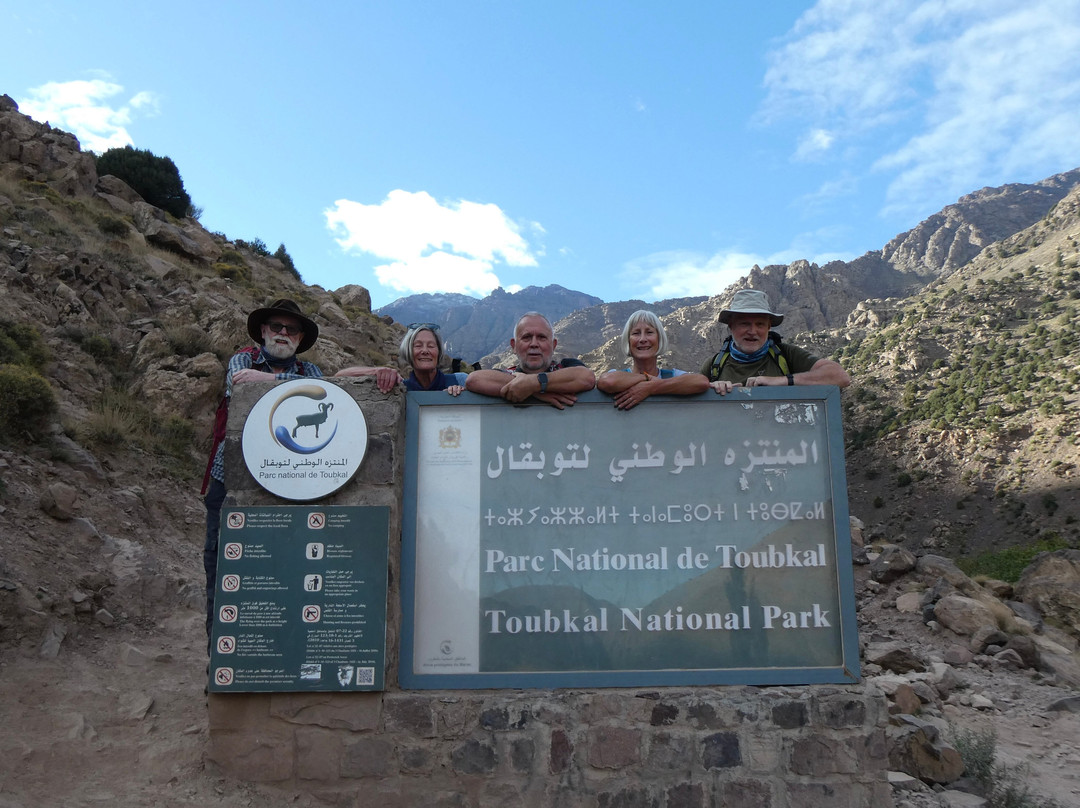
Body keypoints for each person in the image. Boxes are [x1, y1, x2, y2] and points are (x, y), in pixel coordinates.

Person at [202, 298, 324, 649]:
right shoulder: (242, 361)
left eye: (292, 329)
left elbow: (316, 398)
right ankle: (220, 658)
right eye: (277, 327)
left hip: (292, 484)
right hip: (232, 481)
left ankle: (278, 656)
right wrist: (281, 385)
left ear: (300, 338)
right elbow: (240, 391)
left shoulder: (311, 372)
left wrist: (266, 381)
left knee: (284, 571)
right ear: (263, 332)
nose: (283, 333)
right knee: (224, 567)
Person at [700, 289, 850, 394]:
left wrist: (782, 381)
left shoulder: (787, 355)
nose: (752, 331)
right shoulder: (714, 365)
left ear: (769, 327)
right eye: (744, 324)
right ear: (731, 326)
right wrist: (710, 387)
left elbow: (840, 377)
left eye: (760, 324)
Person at [465, 312, 595, 407]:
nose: (534, 344)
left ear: (554, 345)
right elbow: (473, 379)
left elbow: (587, 378)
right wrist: (536, 391)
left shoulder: (567, 367)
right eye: (526, 337)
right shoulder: (507, 374)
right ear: (514, 346)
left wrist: (533, 384)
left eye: (542, 337)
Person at [596, 309, 709, 409]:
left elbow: (701, 382)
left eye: (649, 332)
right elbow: (607, 381)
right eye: (636, 333)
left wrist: (652, 387)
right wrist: (647, 378)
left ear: (659, 339)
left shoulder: (673, 376)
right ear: (628, 341)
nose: (643, 339)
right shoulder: (617, 375)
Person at [335, 323, 465, 395]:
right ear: (408, 351)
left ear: (439, 352)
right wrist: (376, 371)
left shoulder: (459, 380)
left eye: (431, 346)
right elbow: (338, 378)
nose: (425, 351)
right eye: (418, 346)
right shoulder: (399, 386)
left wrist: (465, 393)